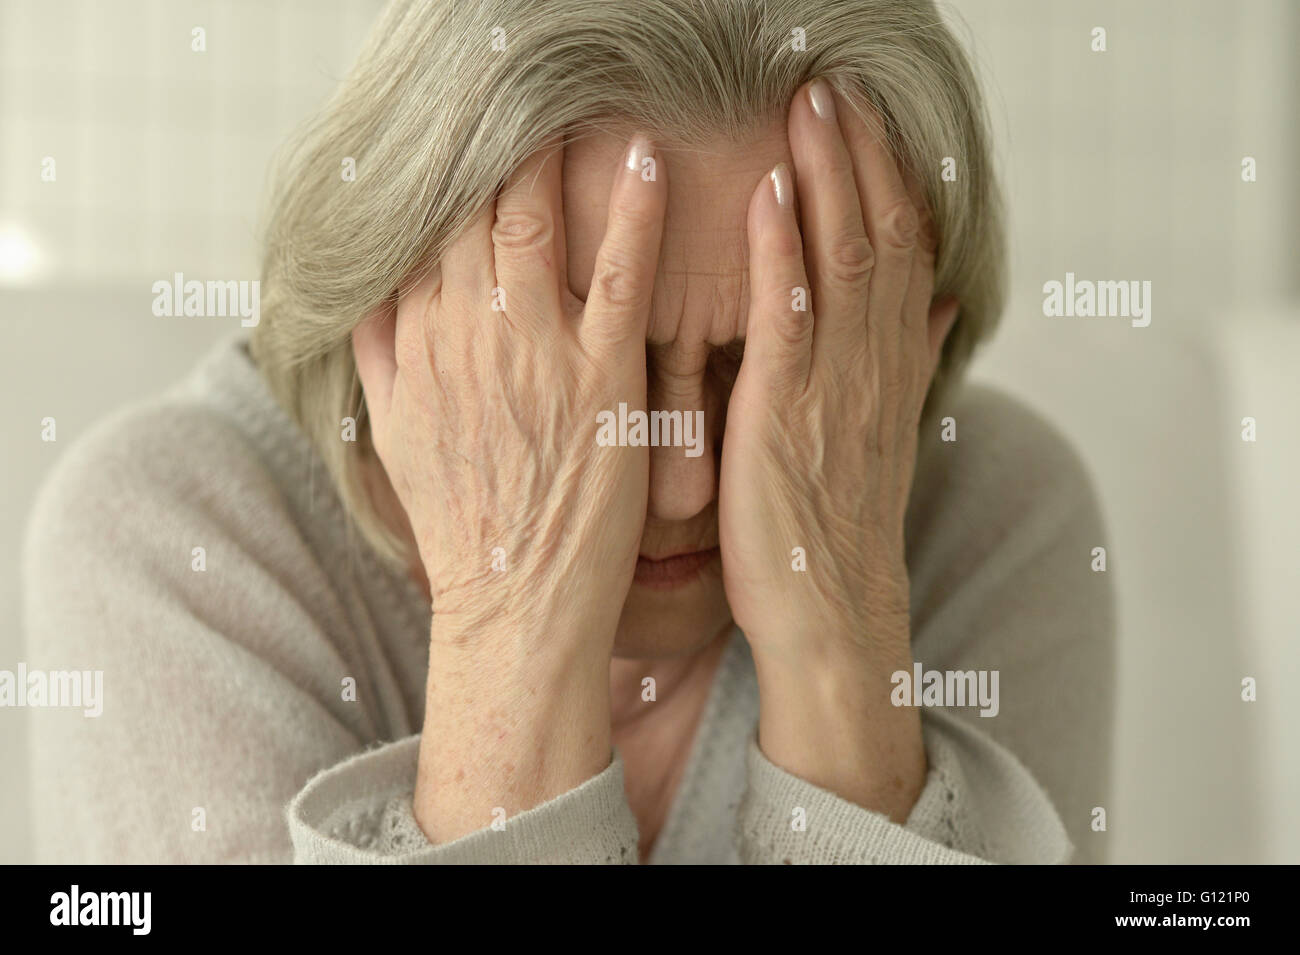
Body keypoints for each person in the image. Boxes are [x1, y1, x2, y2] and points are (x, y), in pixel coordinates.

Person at [23, 0, 1114, 863]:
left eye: (768, 365)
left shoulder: (994, 514)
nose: (685, 480)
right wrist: (515, 624)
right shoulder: (166, 539)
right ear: (401, 311)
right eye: (601, 363)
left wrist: (842, 643)